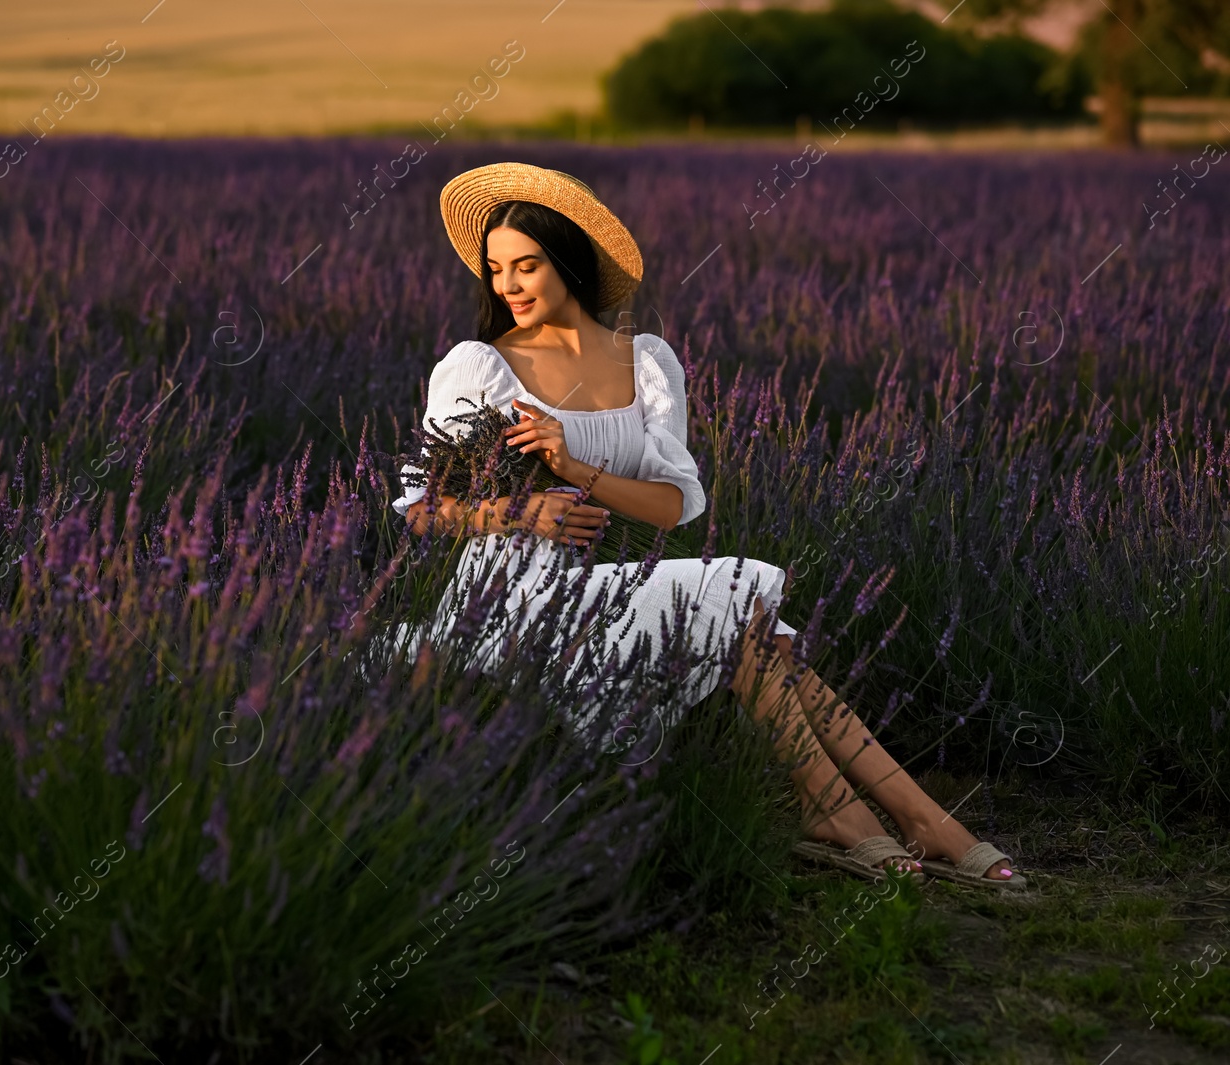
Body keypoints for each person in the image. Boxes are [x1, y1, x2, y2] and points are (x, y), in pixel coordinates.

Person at [389, 162, 1024, 890]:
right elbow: (417, 507)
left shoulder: (646, 362)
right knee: (734, 603)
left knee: (740, 620)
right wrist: (514, 510)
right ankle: (895, 818)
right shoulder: (479, 366)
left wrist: (572, 467)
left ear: (567, 259)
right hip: (507, 603)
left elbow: (674, 506)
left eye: (526, 265)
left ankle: (872, 815)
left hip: (589, 588)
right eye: (496, 270)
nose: (508, 285)